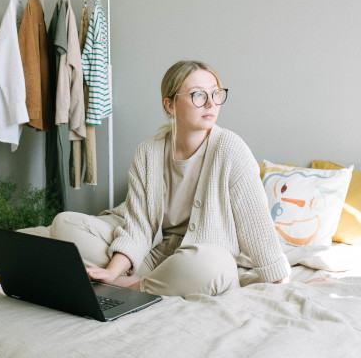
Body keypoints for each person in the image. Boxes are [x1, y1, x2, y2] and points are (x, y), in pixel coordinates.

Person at [50, 60, 290, 297]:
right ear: (170, 105)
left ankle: (136, 286)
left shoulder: (230, 148)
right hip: (154, 254)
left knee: (214, 264)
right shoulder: (147, 152)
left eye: (216, 94)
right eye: (198, 95)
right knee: (64, 224)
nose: (210, 103)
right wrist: (112, 272)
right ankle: (144, 281)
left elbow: (255, 224)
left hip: (199, 259)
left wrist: (280, 279)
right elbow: (139, 226)